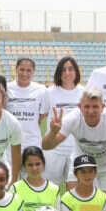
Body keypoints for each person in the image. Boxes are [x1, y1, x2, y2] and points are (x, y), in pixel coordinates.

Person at [42, 86, 106, 195]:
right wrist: (52, 133)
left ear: (102, 107)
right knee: (75, 199)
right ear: (80, 107)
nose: (91, 111)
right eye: (87, 106)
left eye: (95, 106)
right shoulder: (73, 118)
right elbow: (46, 146)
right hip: (82, 163)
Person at [41, 56, 83, 186]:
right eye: (63, 70)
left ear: (76, 72)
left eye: (70, 69)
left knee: (74, 190)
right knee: (50, 188)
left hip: (76, 149)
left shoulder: (83, 92)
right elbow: (41, 115)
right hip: (54, 150)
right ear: (59, 73)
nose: (67, 73)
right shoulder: (49, 92)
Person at [5, 57, 49, 153]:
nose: (25, 74)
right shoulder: (6, 88)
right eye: (22, 69)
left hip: (33, 141)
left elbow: (43, 114)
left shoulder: (41, 90)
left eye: (28, 70)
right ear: (16, 69)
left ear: (33, 71)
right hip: (10, 143)